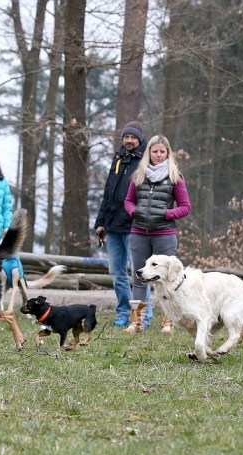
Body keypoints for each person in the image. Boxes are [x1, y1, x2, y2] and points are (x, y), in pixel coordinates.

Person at [123, 134, 192, 332]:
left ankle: (168, 322)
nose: (159, 155)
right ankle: (137, 322)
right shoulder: (138, 175)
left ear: (167, 153)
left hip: (164, 234)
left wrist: (166, 213)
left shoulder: (175, 177)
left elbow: (186, 207)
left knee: (168, 278)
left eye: (162, 151)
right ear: (149, 153)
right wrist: (133, 211)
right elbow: (128, 201)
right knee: (139, 277)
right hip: (139, 232)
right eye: (155, 151)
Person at [94, 121, 146, 327]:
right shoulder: (117, 159)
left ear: (139, 140)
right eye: (126, 137)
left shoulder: (144, 162)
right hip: (113, 226)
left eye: (133, 137)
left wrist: (140, 217)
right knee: (116, 273)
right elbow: (108, 193)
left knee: (139, 273)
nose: (129, 140)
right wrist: (100, 222)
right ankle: (123, 312)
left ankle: (141, 316)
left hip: (134, 226)